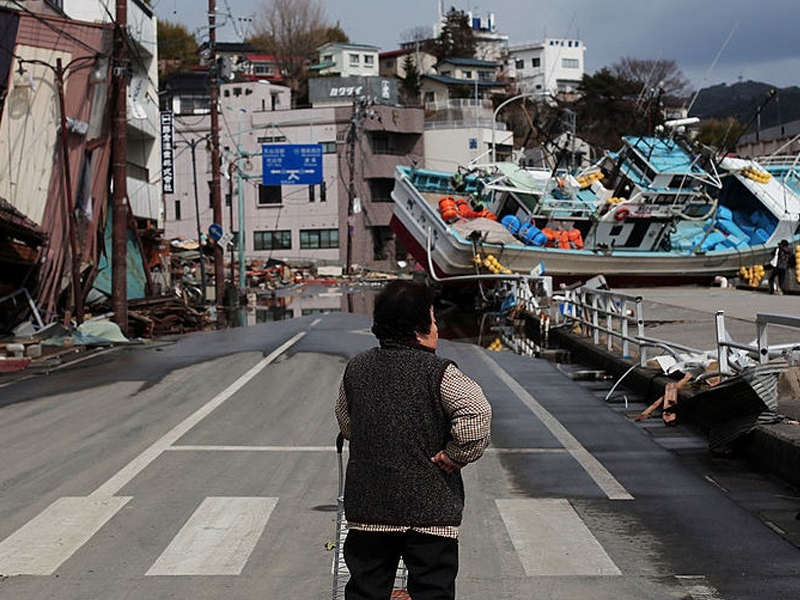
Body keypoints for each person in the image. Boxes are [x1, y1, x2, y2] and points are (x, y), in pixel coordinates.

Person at [335, 280, 492, 600]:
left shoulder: (357, 368)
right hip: (430, 513)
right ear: (419, 329)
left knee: (366, 590)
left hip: (370, 508)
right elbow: (477, 413)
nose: (437, 327)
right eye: (433, 319)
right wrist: (456, 455)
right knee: (432, 590)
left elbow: (346, 419)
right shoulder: (441, 373)